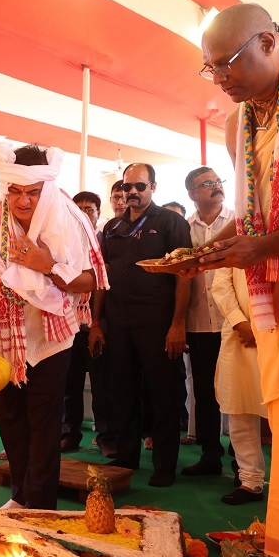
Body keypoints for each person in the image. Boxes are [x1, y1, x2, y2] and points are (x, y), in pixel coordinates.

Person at [197, 4, 279, 557]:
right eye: (210, 69)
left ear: (270, 43)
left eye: (227, 63)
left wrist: (261, 247)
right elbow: (254, 216)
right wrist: (207, 252)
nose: (219, 78)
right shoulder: (242, 121)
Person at [0, 143, 105, 510]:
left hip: (51, 337)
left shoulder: (70, 220)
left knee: (44, 422)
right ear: (5, 186)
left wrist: (46, 266)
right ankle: (20, 496)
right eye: (15, 190)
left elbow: (91, 280)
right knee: (9, 416)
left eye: (33, 192)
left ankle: (40, 507)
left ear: (47, 187)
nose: (23, 200)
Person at [89, 163, 192, 487]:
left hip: (158, 323)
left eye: (140, 186)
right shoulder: (112, 227)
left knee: (163, 394)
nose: (132, 192)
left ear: (153, 187)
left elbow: (185, 275)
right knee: (122, 392)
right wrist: (95, 322)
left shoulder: (171, 223)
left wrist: (178, 324)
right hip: (118, 324)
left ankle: (164, 465)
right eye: (127, 186)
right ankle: (126, 457)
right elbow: (102, 277)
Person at [181, 168, 233, 477]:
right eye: (207, 184)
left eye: (217, 181)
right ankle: (210, 454)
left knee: (238, 391)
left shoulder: (238, 221)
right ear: (192, 194)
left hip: (234, 322)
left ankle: (242, 462)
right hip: (199, 322)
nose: (216, 186)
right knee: (204, 391)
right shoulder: (185, 229)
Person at [61, 190, 115, 457]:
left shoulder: (106, 241)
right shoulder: (63, 241)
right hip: (68, 324)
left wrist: (97, 322)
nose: (83, 213)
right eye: (78, 208)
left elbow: (104, 284)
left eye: (89, 209)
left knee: (102, 384)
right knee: (68, 383)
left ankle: (106, 437)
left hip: (99, 322)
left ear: (98, 213)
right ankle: (69, 434)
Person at [211, 266, 267, 505]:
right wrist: (239, 322)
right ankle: (251, 480)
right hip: (239, 334)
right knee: (239, 407)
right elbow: (221, 283)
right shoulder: (235, 238)